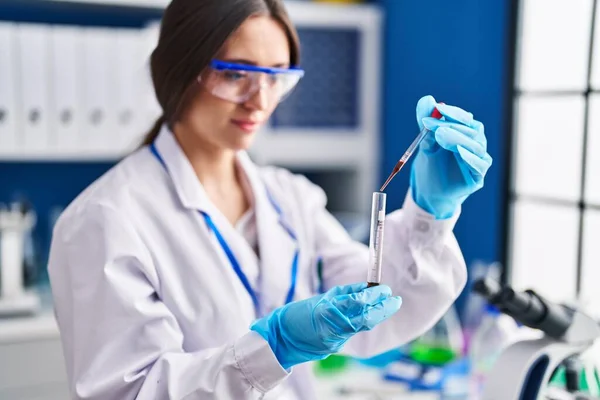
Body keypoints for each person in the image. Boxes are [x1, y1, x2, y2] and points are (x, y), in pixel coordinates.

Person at [47, 0, 493, 399]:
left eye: (277, 77)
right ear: (181, 69)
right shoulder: (104, 220)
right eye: (236, 74)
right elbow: (130, 393)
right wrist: (273, 347)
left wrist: (429, 214)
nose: (259, 101)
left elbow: (374, 309)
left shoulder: (290, 197)